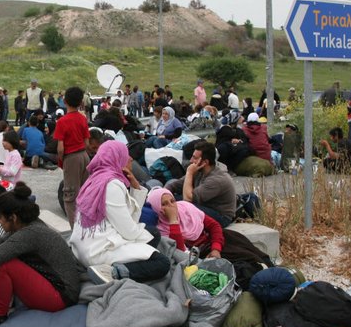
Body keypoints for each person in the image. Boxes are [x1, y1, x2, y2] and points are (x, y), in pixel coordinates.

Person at [0, 185, 83, 327]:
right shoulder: (25, 225)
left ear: (13, 217)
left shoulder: (31, 233)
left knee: (4, 266)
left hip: (61, 296)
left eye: (0, 217)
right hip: (53, 285)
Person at [68, 141, 170, 284]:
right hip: (98, 251)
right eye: (126, 155)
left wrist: (136, 188)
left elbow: (127, 221)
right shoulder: (112, 184)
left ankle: (129, 263)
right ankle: (112, 272)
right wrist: (141, 238)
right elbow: (129, 230)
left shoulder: (95, 178)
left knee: (152, 233)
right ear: (117, 158)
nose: (130, 159)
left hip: (83, 247)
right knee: (162, 263)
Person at [165, 141, 237, 227]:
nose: (191, 160)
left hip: (220, 216)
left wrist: (189, 173)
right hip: (203, 205)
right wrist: (162, 196)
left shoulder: (217, 179)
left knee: (182, 208)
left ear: (205, 162)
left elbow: (187, 199)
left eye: (194, 158)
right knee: (171, 201)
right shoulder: (199, 171)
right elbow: (175, 185)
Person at [145, 188, 224, 258]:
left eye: (172, 201)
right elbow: (180, 251)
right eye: (164, 204)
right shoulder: (159, 230)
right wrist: (173, 221)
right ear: (156, 208)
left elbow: (214, 225)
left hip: (210, 244)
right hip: (192, 257)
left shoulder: (185, 208)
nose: (171, 206)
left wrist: (216, 249)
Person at [54, 86, 90, 225]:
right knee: (85, 193)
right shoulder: (82, 118)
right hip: (84, 155)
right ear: (81, 102)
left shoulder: (62, 121)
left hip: (71, 157)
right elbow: (87, 142)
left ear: (65, 101)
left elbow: (61, 148)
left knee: (70, 196)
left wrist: (62, 161)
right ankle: (87, 226)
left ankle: (76, 231)